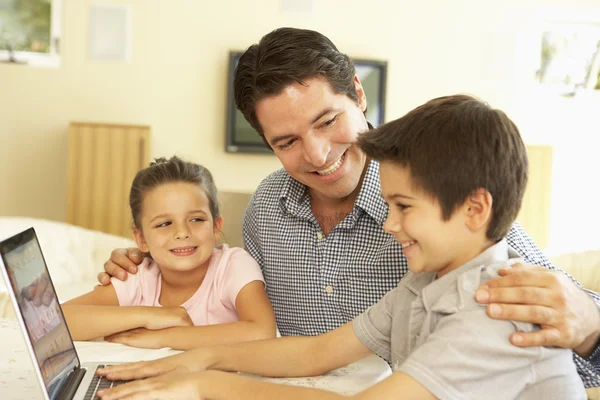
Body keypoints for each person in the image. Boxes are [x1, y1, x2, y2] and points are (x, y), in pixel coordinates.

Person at [98, 27, 600, 385]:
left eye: (326, 120)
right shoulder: (265, 210)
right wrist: (148, 263)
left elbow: (561, 321)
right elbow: (233, 301)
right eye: (286, 140)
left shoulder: (441, 202)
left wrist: (590, 325)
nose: (316, 155)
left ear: (358, 93)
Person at [62, 156, 276, 350]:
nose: (182, 232)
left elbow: (262, 333)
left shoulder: (233, 266)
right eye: (164, 223)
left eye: (196, 219)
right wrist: (151, 316)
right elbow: (55, 324)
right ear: (141, 239)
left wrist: (165, 337)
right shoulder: (140, 278)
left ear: (215, 227)